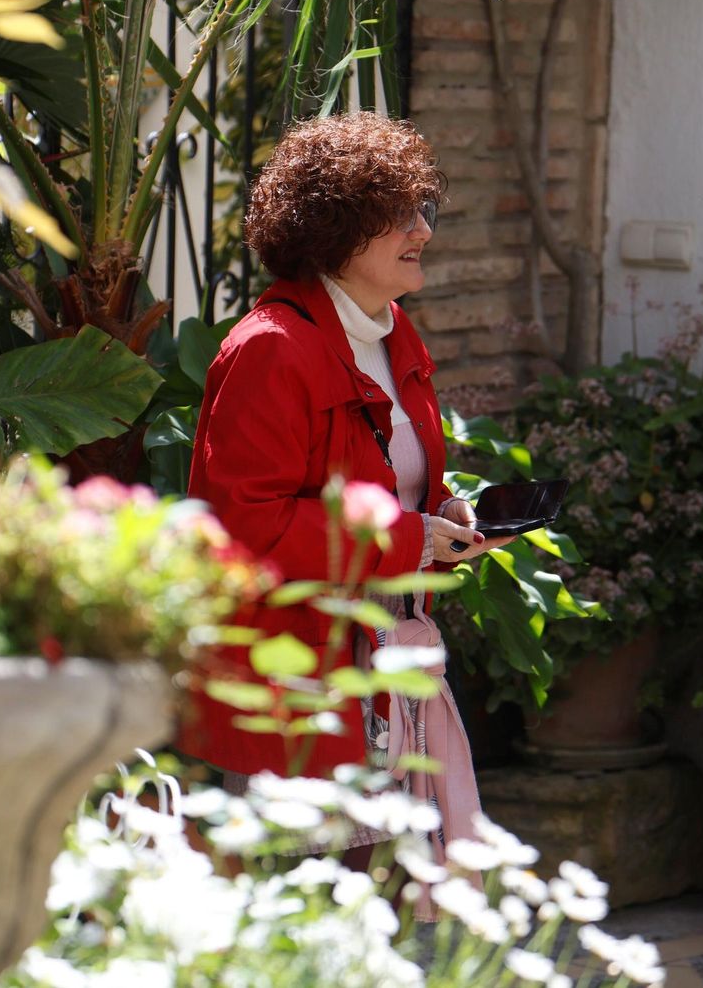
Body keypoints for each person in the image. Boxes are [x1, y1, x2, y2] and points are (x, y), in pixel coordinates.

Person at [182, 112, 512, 906]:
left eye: (423, 209)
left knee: (374, 902)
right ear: (331, 232)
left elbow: (389, 484)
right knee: (306, 907)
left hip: (383, 662)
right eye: (396, 215)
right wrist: (407, 539)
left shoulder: (394, 337)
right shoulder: (270, 347)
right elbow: (244, 528)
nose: (421, 231)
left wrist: (444, 516)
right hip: (299, 675)